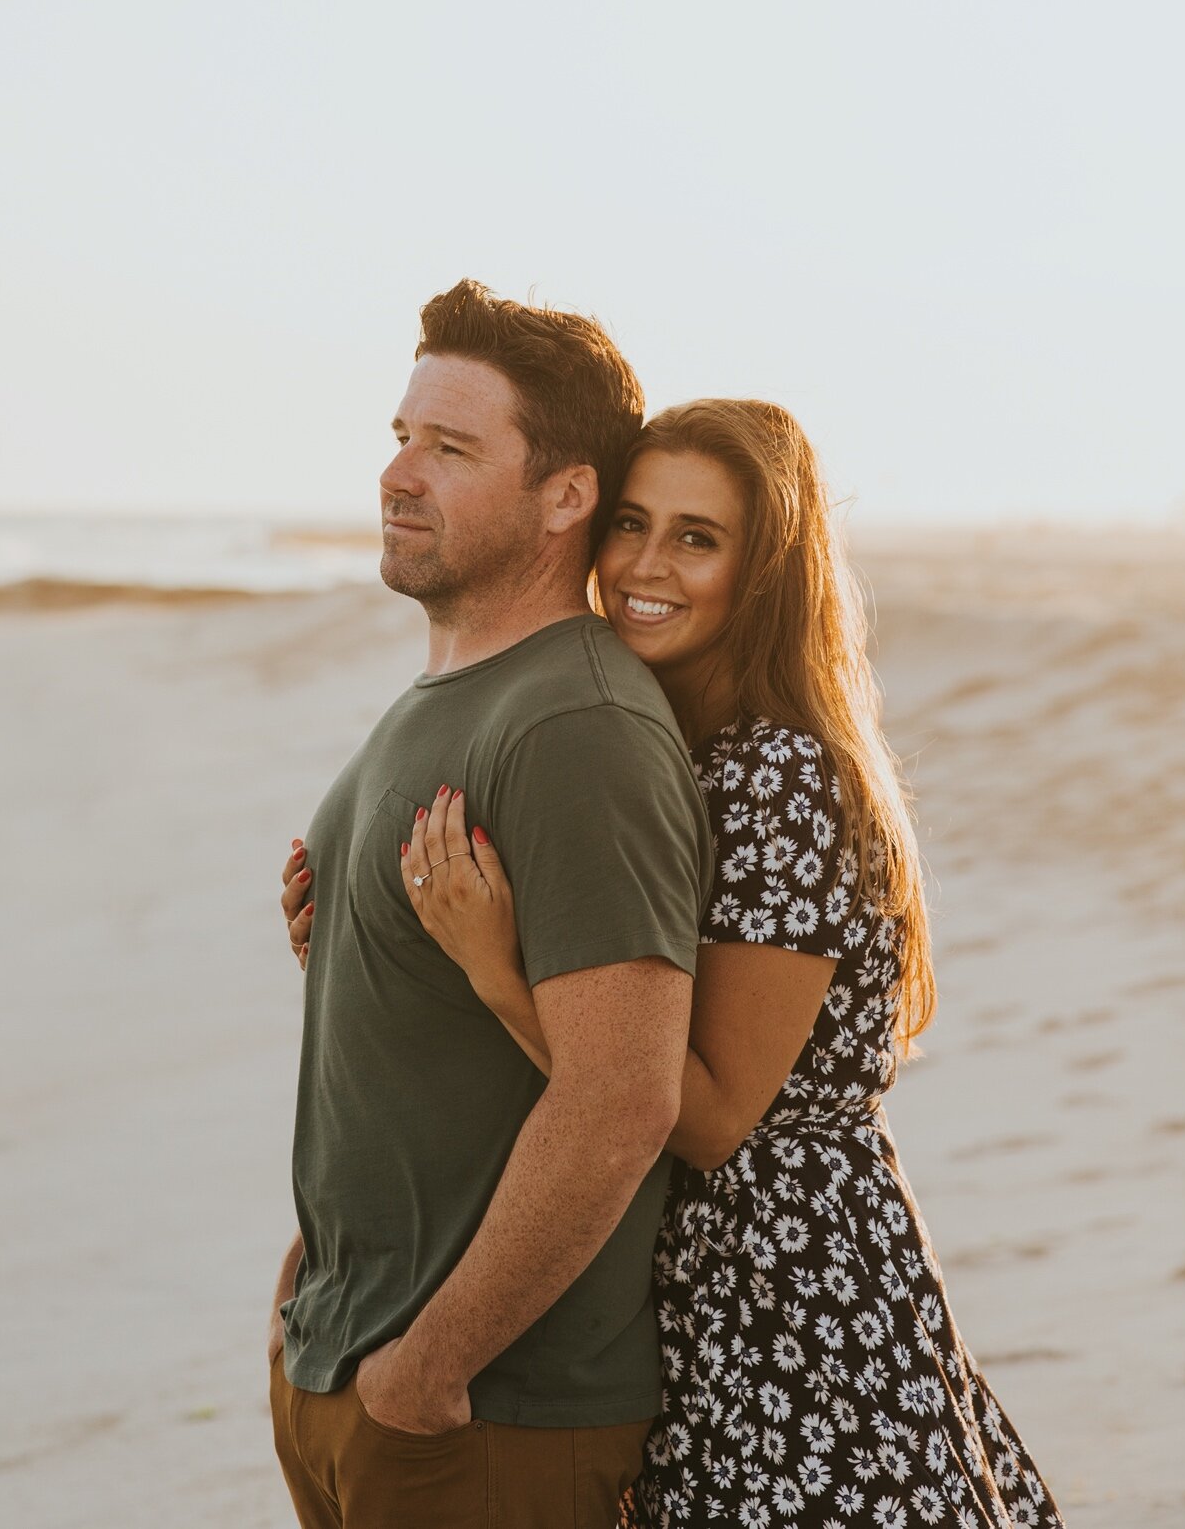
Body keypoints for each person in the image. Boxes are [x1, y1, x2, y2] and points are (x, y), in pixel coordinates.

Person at [286, 398, 1065, 1527]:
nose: (648, 565)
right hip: (692, 1278)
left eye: (697, 538)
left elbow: (706, 1119)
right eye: (633, 525)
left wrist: (493, 967)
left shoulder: (778, 778)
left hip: (791, 1285)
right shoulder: (670, 749)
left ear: (767, 574)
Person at [268, 281, 713, 1529]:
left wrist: (429, 1369)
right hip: (350, 1360)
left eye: (451, 449)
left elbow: (625, 1093)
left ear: (566, 495)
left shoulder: (577, 723)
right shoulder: (451, 690)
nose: (398, 473)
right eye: (402, 436)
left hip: (487, 1413)